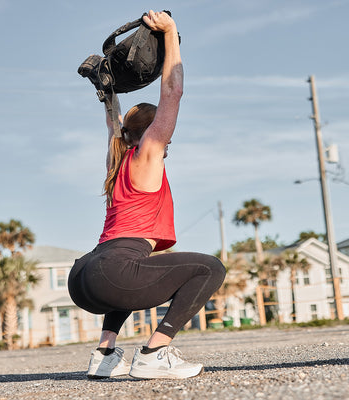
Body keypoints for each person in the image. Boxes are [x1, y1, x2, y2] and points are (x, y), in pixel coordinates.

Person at [68, 10, 226, 380]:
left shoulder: (116, 157)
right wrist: (170, 32)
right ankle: (155, 352)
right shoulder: (148, 154)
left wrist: (104, 88)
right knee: (210, 268)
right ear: (153, 132)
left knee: (132, 273)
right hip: (113, 271)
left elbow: (113, 119)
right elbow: (173, 90)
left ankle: (104, 354)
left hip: (85, 276)